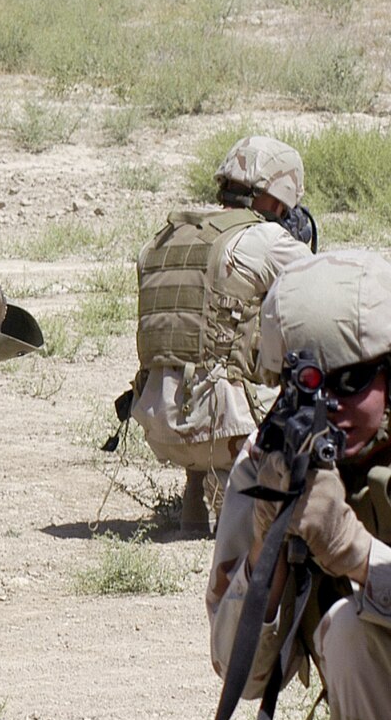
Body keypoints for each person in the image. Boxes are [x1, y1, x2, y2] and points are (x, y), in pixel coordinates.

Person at [204, 250, 391, 720]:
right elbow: (242, 675)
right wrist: (267, 553)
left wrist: (359, 556)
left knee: (348, 629)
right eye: (304, 386)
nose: (329, 411)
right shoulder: (271, 466)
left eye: (351, 384)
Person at [129, 136, 314, 536]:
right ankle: (238, 498)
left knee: (201, 346)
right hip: (224, 433)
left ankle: (193, 500)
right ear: (279, 201)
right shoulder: (266, 241)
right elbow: (323, 298)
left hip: (156, 425)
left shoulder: (161, 240)